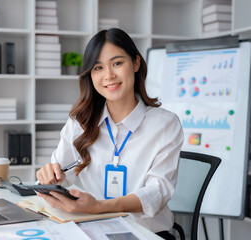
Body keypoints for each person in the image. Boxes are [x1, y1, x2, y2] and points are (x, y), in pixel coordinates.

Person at [36, 28, 183, 239]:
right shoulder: (80, 123)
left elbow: (157, 192)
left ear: (136, 63)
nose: (108, 76)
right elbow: (61, 176)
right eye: (98, 67)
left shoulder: (164, 124)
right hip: (89, 230)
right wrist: (50, 177)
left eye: (117, 63)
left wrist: (99, 207)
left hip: (145, 233)